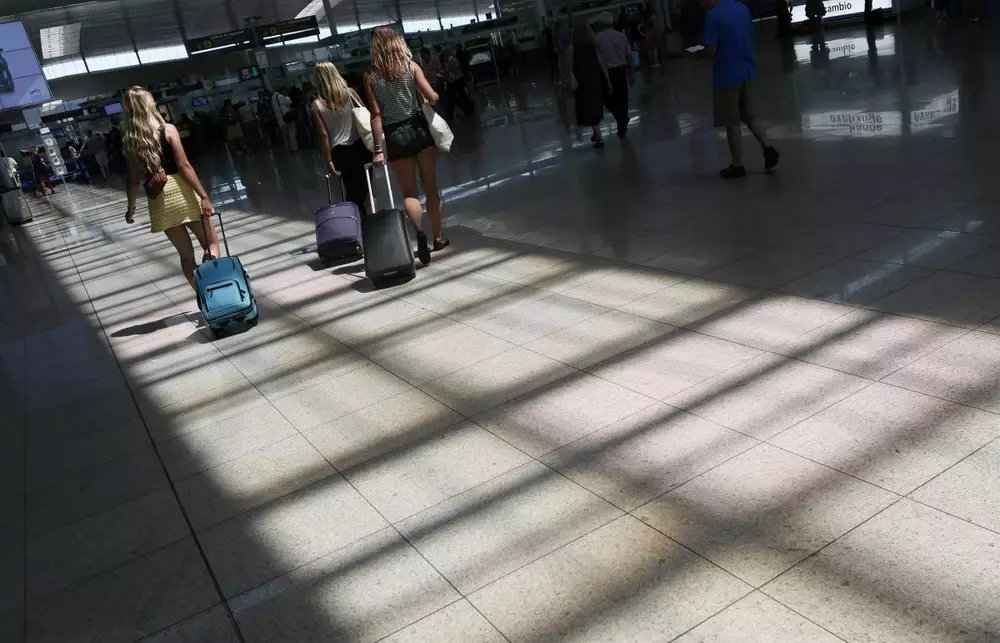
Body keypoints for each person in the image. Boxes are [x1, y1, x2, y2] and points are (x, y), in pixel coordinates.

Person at [122, 86, 220, 292]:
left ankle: (202, 294)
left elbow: (132, 181)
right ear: (150, 105)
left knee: (186, 256)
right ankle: (213, 282)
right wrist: (204, 196)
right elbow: (184, 166)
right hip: (183, 192)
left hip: (159, 200)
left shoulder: (130, 141)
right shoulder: (168, 130)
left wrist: (131, 209)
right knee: (211, 244)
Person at [364, 26, 448, 265]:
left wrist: (377, 150)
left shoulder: (371, 77)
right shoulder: (411, 67)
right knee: (430, 187)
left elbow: (376, 116)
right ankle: (438, 238)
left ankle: (419, 233)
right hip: (419, 129)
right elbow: (432, 97)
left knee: (409, 193)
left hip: (395, 136)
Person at [699, 0, 779, 178]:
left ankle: (737, 165)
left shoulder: (712, 16)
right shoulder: (741, 7)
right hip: (746, 69)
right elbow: (750, 34)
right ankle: (768, 148)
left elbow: (711, 51)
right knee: (749, 115)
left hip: (727, 74)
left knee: (731, 121)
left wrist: (698, 55)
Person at [312, 62, 374, 214]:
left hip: (340, 152)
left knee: (351, 189)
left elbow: (324, 134)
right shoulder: (350, 93)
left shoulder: (317, 105)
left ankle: (355, 219)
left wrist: (328, 160)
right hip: (360, 147)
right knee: (366, 188)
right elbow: (365, 114)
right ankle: (369, 219)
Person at [568, 21, 612, 149]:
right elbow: (601, 64)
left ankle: (599, 137)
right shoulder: (593, 47)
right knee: (595, 106)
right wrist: (608, 80)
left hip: (582, 81)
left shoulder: (572, 48)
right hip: (595, 80)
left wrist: (566, 78)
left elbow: (567, 66)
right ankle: (595, 133)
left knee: (588, 109)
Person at [594, 12, 633, 139]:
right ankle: (622, 128)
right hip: (621, 71)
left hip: (606, 73)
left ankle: (620, 117)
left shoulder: (598, 39)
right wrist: (631, 72)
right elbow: (629, 56)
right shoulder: (621, 36)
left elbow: (596, 59)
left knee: (606, 98)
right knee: (623, 99)